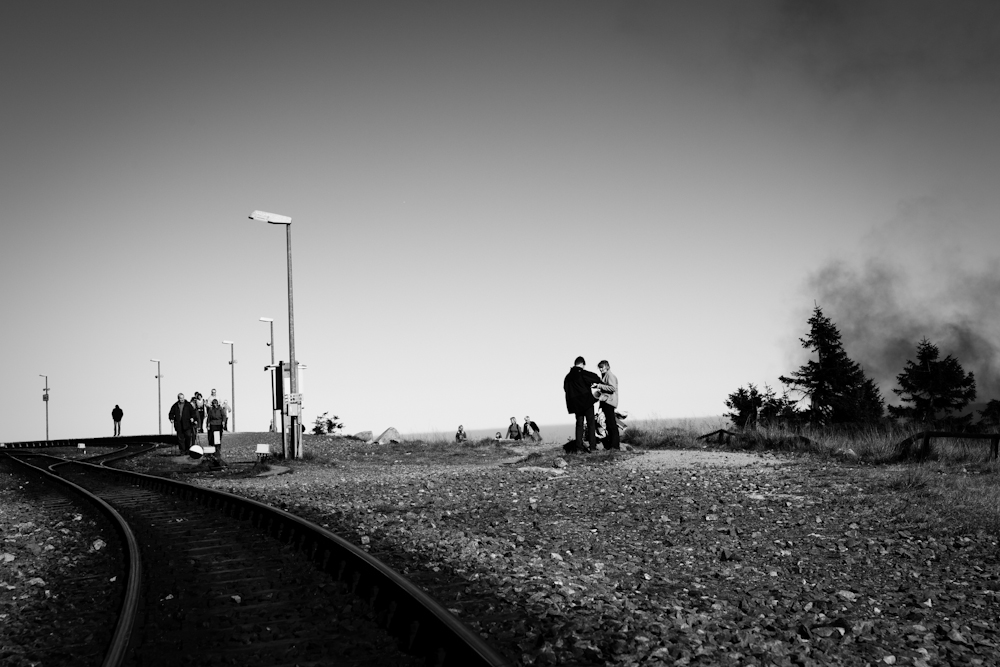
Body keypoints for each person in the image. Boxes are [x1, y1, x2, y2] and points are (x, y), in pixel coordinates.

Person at [564, 356, 602, 452]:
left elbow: (565, 389)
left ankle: (579, 448)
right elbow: (596, 378)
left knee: (579, 425)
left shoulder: (567, 377)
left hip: (576, 405)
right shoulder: (582, 373)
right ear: (582, 364)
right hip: (587, 402)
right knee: (591, 424)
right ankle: (592, 447)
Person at [595, 360, 620, 450]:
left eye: (602, 367)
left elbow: (612, 388)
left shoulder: (609, 375)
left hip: (609, 401)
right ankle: (613, 445)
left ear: (607, 366)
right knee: (609, 424)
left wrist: (599, 386)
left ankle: (615, 446)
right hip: (607, 401)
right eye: (599, 368)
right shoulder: (606, 375)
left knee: (611, 424)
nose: (600, 369)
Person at [205, 398, 226, 464]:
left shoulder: (220, 409)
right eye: (213, 404)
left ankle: (218, 450)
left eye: (215, 403)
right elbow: (209, 418)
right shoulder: (211, 410)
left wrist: (223, 422)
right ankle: (213, 450)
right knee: (212, 438)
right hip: (213, 424)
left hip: (219, 425)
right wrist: (207, 425)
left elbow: (224, 416)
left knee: (218, 439)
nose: (215, 405)